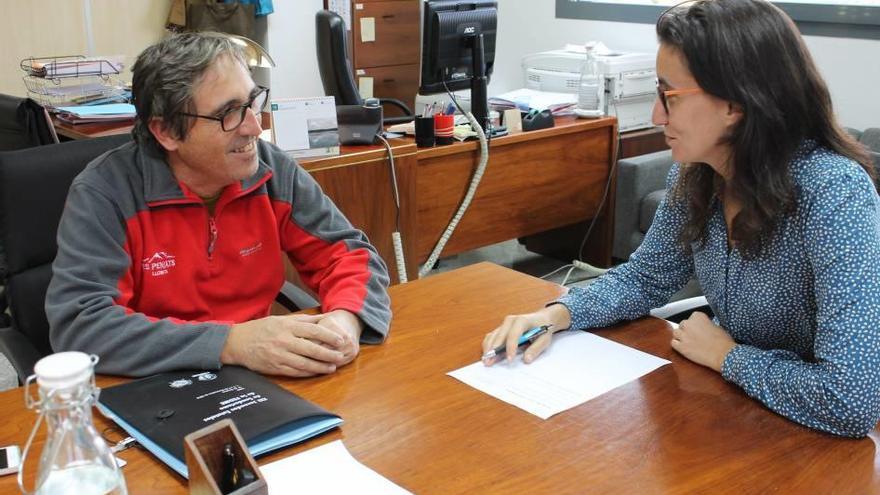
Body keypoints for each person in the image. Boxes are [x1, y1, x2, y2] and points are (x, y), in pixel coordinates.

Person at [482, 0, 880, 437]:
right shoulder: (697, 174)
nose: (656, 116)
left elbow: (850, 400)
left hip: (816, 440)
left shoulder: (832, 193)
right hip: (739, 412)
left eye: (668, 96)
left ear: (736, 103)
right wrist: (557, 314)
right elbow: (643, 279)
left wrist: (727, 356)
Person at [47, 32, 391, 378]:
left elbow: (348, 254)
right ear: (166, 131)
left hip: (260, 371)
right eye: (229, 113)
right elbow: (81, 326)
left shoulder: (271, 171)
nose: (255, 127)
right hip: (155, 382)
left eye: (252, 102)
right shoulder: (105, 193)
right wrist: (230, 343)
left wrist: (346, 318)